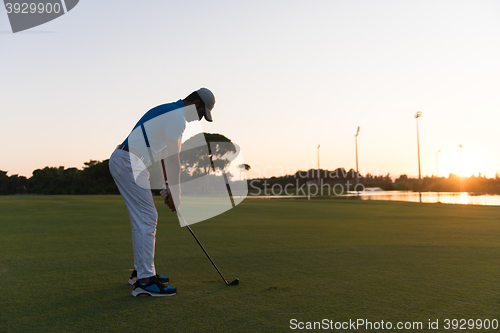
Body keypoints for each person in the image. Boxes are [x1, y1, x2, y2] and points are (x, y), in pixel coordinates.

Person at [109, 88, 216, 297]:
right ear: (195, 102)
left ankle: (141, 273)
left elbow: (160, 155)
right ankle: (145, 281)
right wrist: (175, 192)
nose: (199, 119)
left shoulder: (169, 110)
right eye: (201, 113)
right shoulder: (178, 117)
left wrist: (166, 187)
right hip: (129, 161)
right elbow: (172, 156)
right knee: (148, 218)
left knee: (141, 219)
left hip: (129, 160)